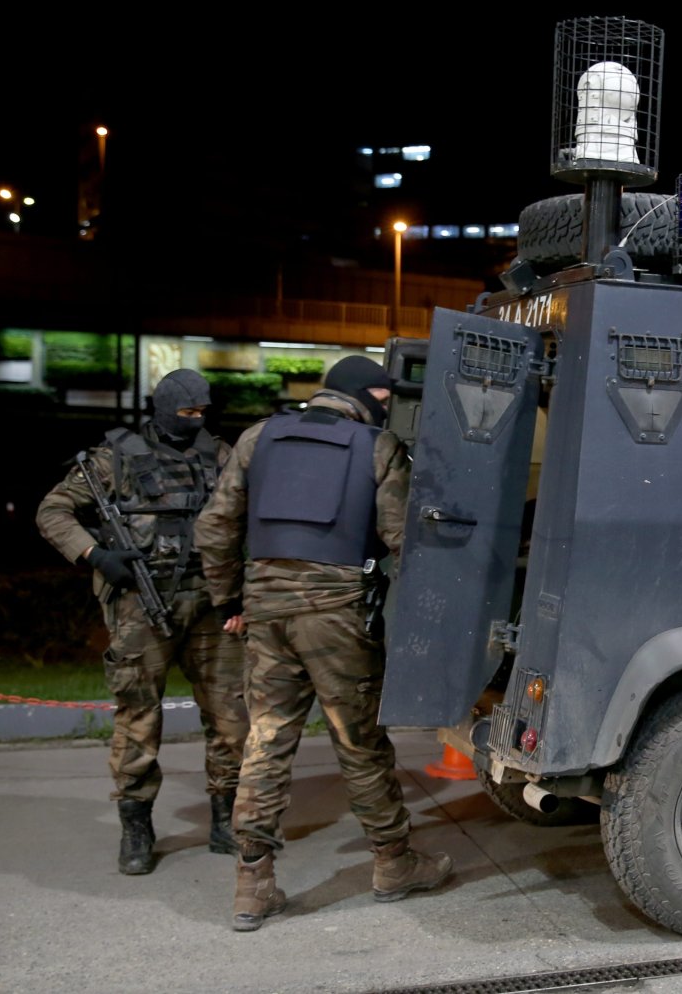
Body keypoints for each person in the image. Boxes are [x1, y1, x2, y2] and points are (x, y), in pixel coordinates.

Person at [194, 355, 451, 932]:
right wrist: (417, 616)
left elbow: (214, 527)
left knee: (266, 739)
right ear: (368, 396)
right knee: (358, 742)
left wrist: (227, 600)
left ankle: (252, 884)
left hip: (265, 609)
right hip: (336, 613)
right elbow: (402, 539)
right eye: (385, 399)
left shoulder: (259, 438)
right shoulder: (377, 447)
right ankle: (393, 863)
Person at [35, 369, 249, 875]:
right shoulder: (113, 459)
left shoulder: (219, 454)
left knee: (231, 715)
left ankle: (226, 817)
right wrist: (95, 554)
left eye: (202, 413)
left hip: (211, 603)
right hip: (139, 603)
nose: (194, 422)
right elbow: (53, 511)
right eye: (186, 413)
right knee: (138, 717)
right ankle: (136, 825)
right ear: (164, 408)